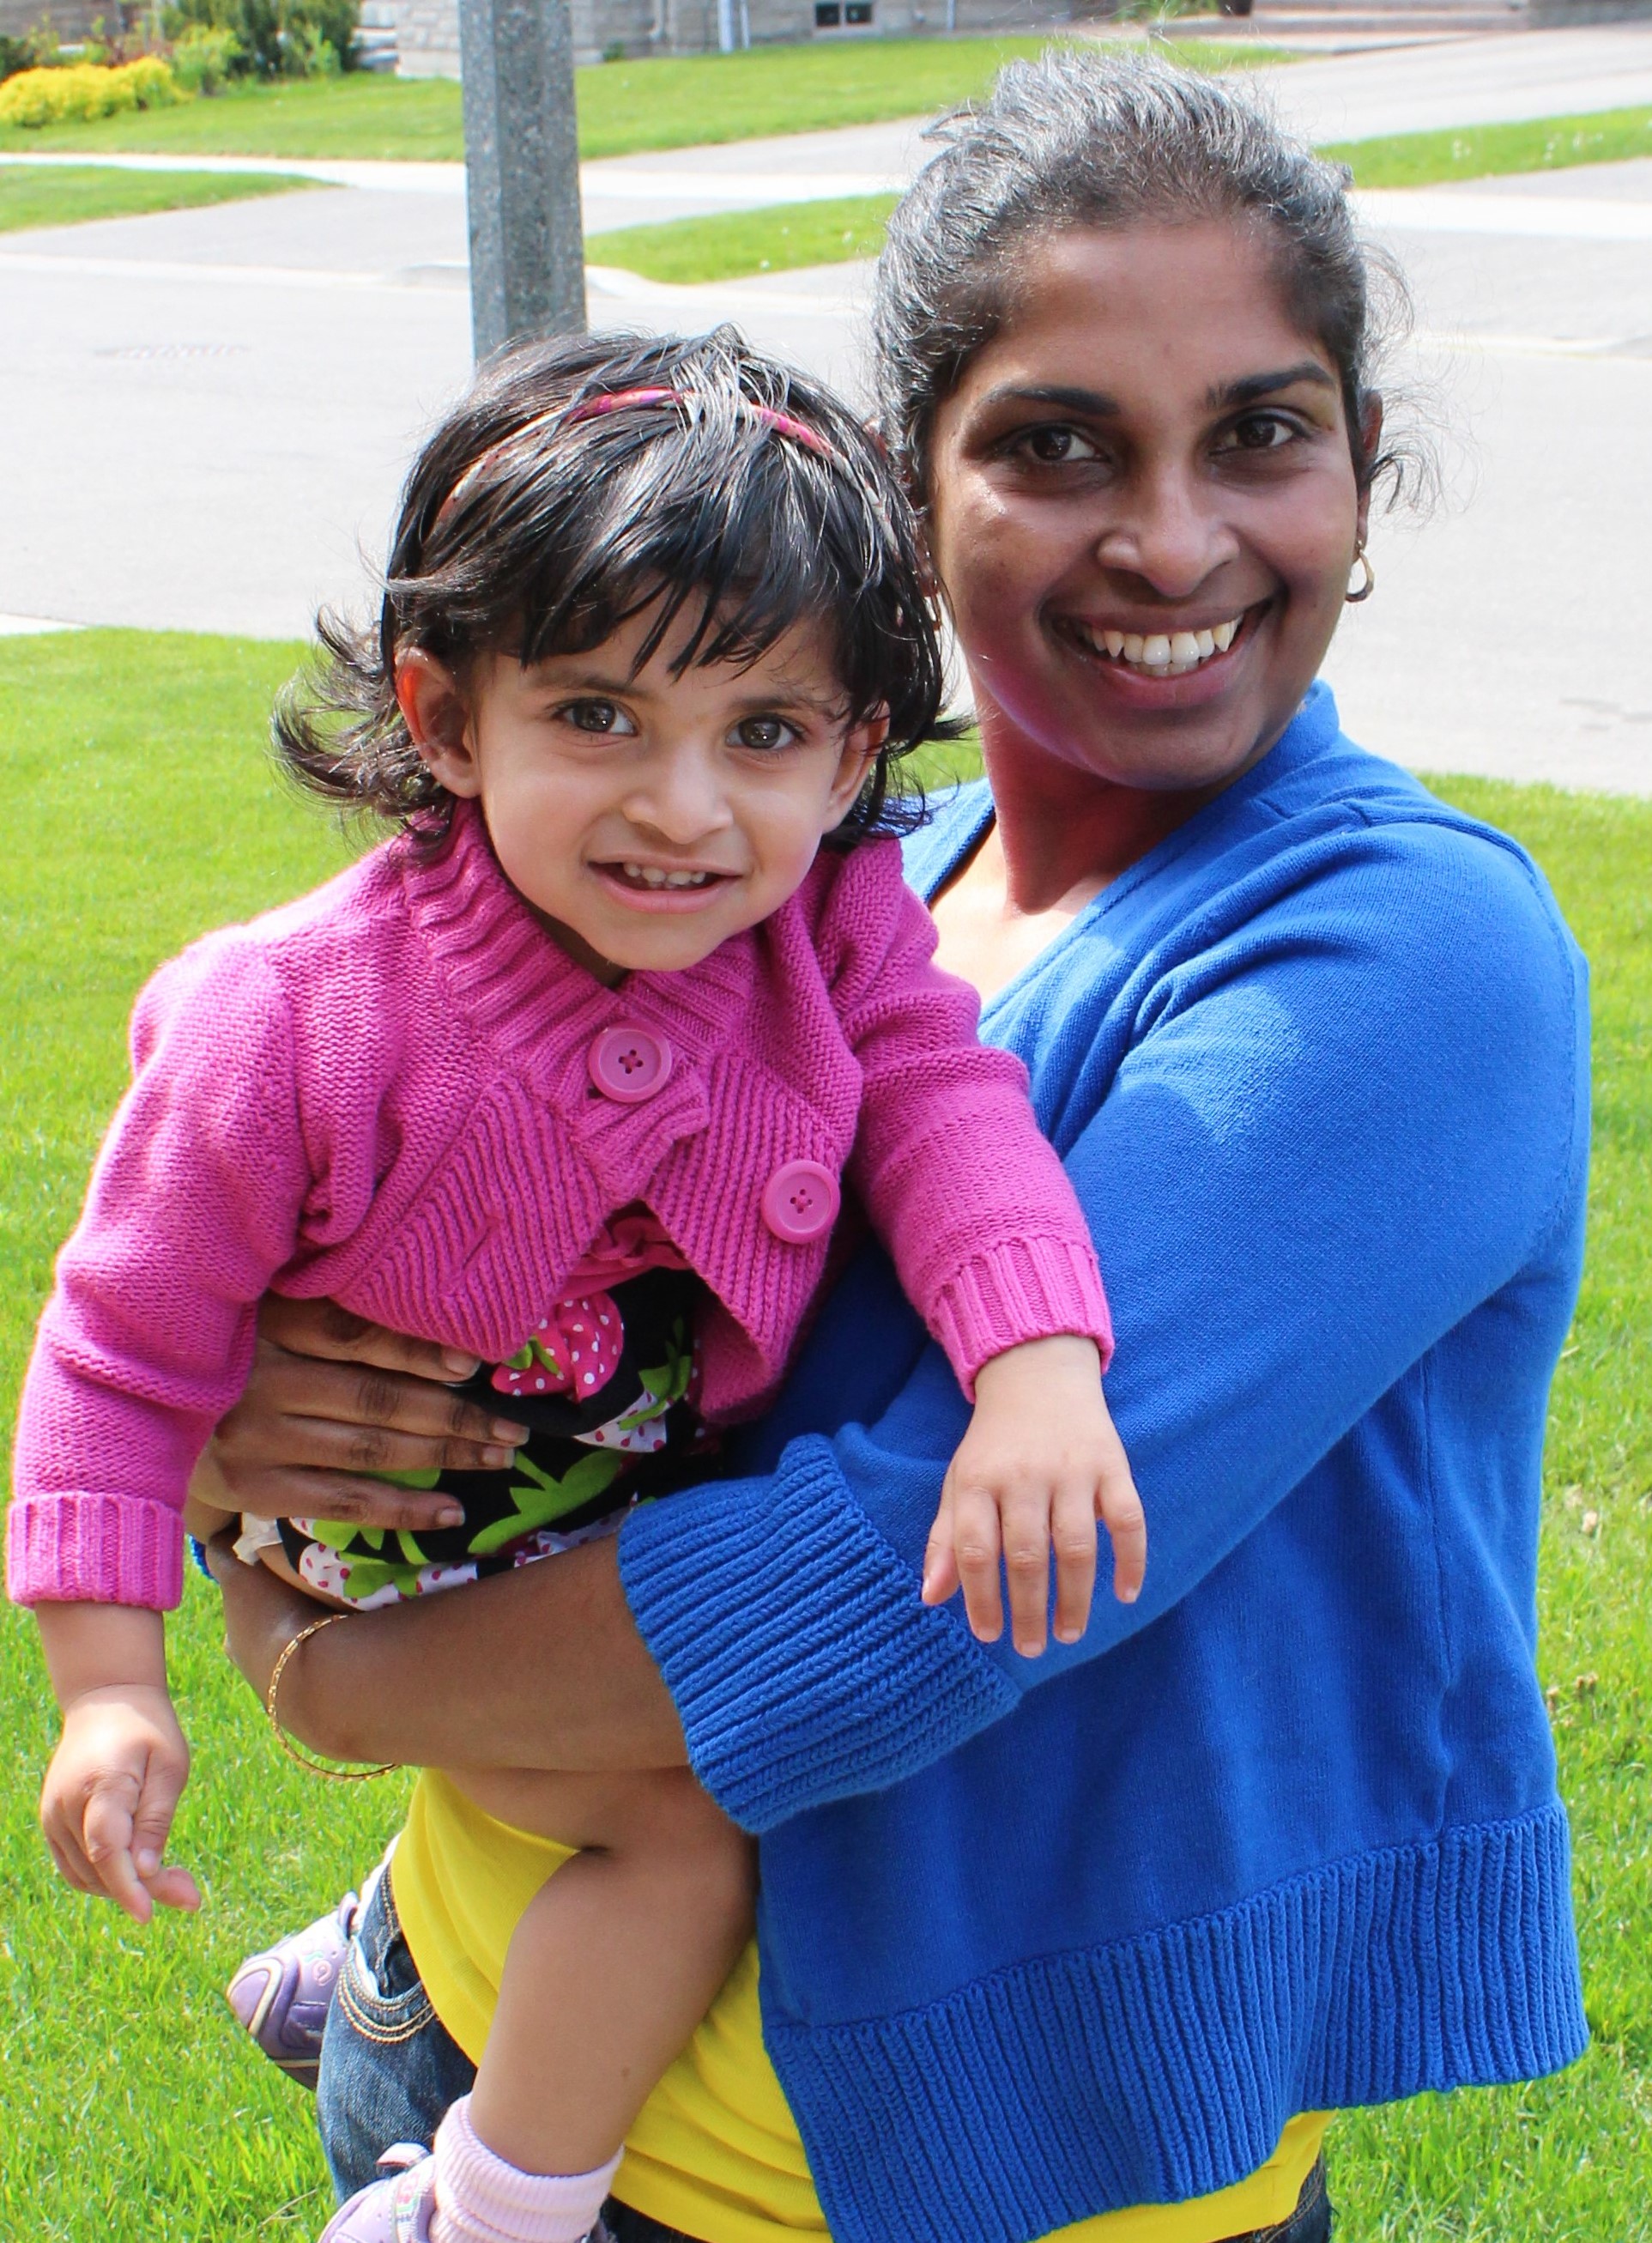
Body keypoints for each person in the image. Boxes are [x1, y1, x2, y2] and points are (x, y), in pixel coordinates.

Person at [203, 48, 1588, 2243]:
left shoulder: (1406, 961)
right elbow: (481, 1266)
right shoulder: (836, 887)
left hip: (864, 2184)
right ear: (911, 499)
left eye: (1262, 432)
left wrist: (312, 1660)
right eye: (1055, 444)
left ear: (1359, 468)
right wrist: (239, 1406)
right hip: (468, 2006)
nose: (1170, 536)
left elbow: (901, 1596)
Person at [7, 330, 1152, 2243]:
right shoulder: (289, 1019)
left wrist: (1036, 1361)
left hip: (615, 1475)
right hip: (409, 1526)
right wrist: (110, 1683)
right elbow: (122, 1344)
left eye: (763, 734)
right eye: (599, 717)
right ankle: (491, 2204)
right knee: (689, 1830)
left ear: (859, 748)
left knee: (747, 1710)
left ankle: (376, 1937)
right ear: (447, 717)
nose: (685, 810)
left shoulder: (827, 926)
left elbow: (947, 1109)